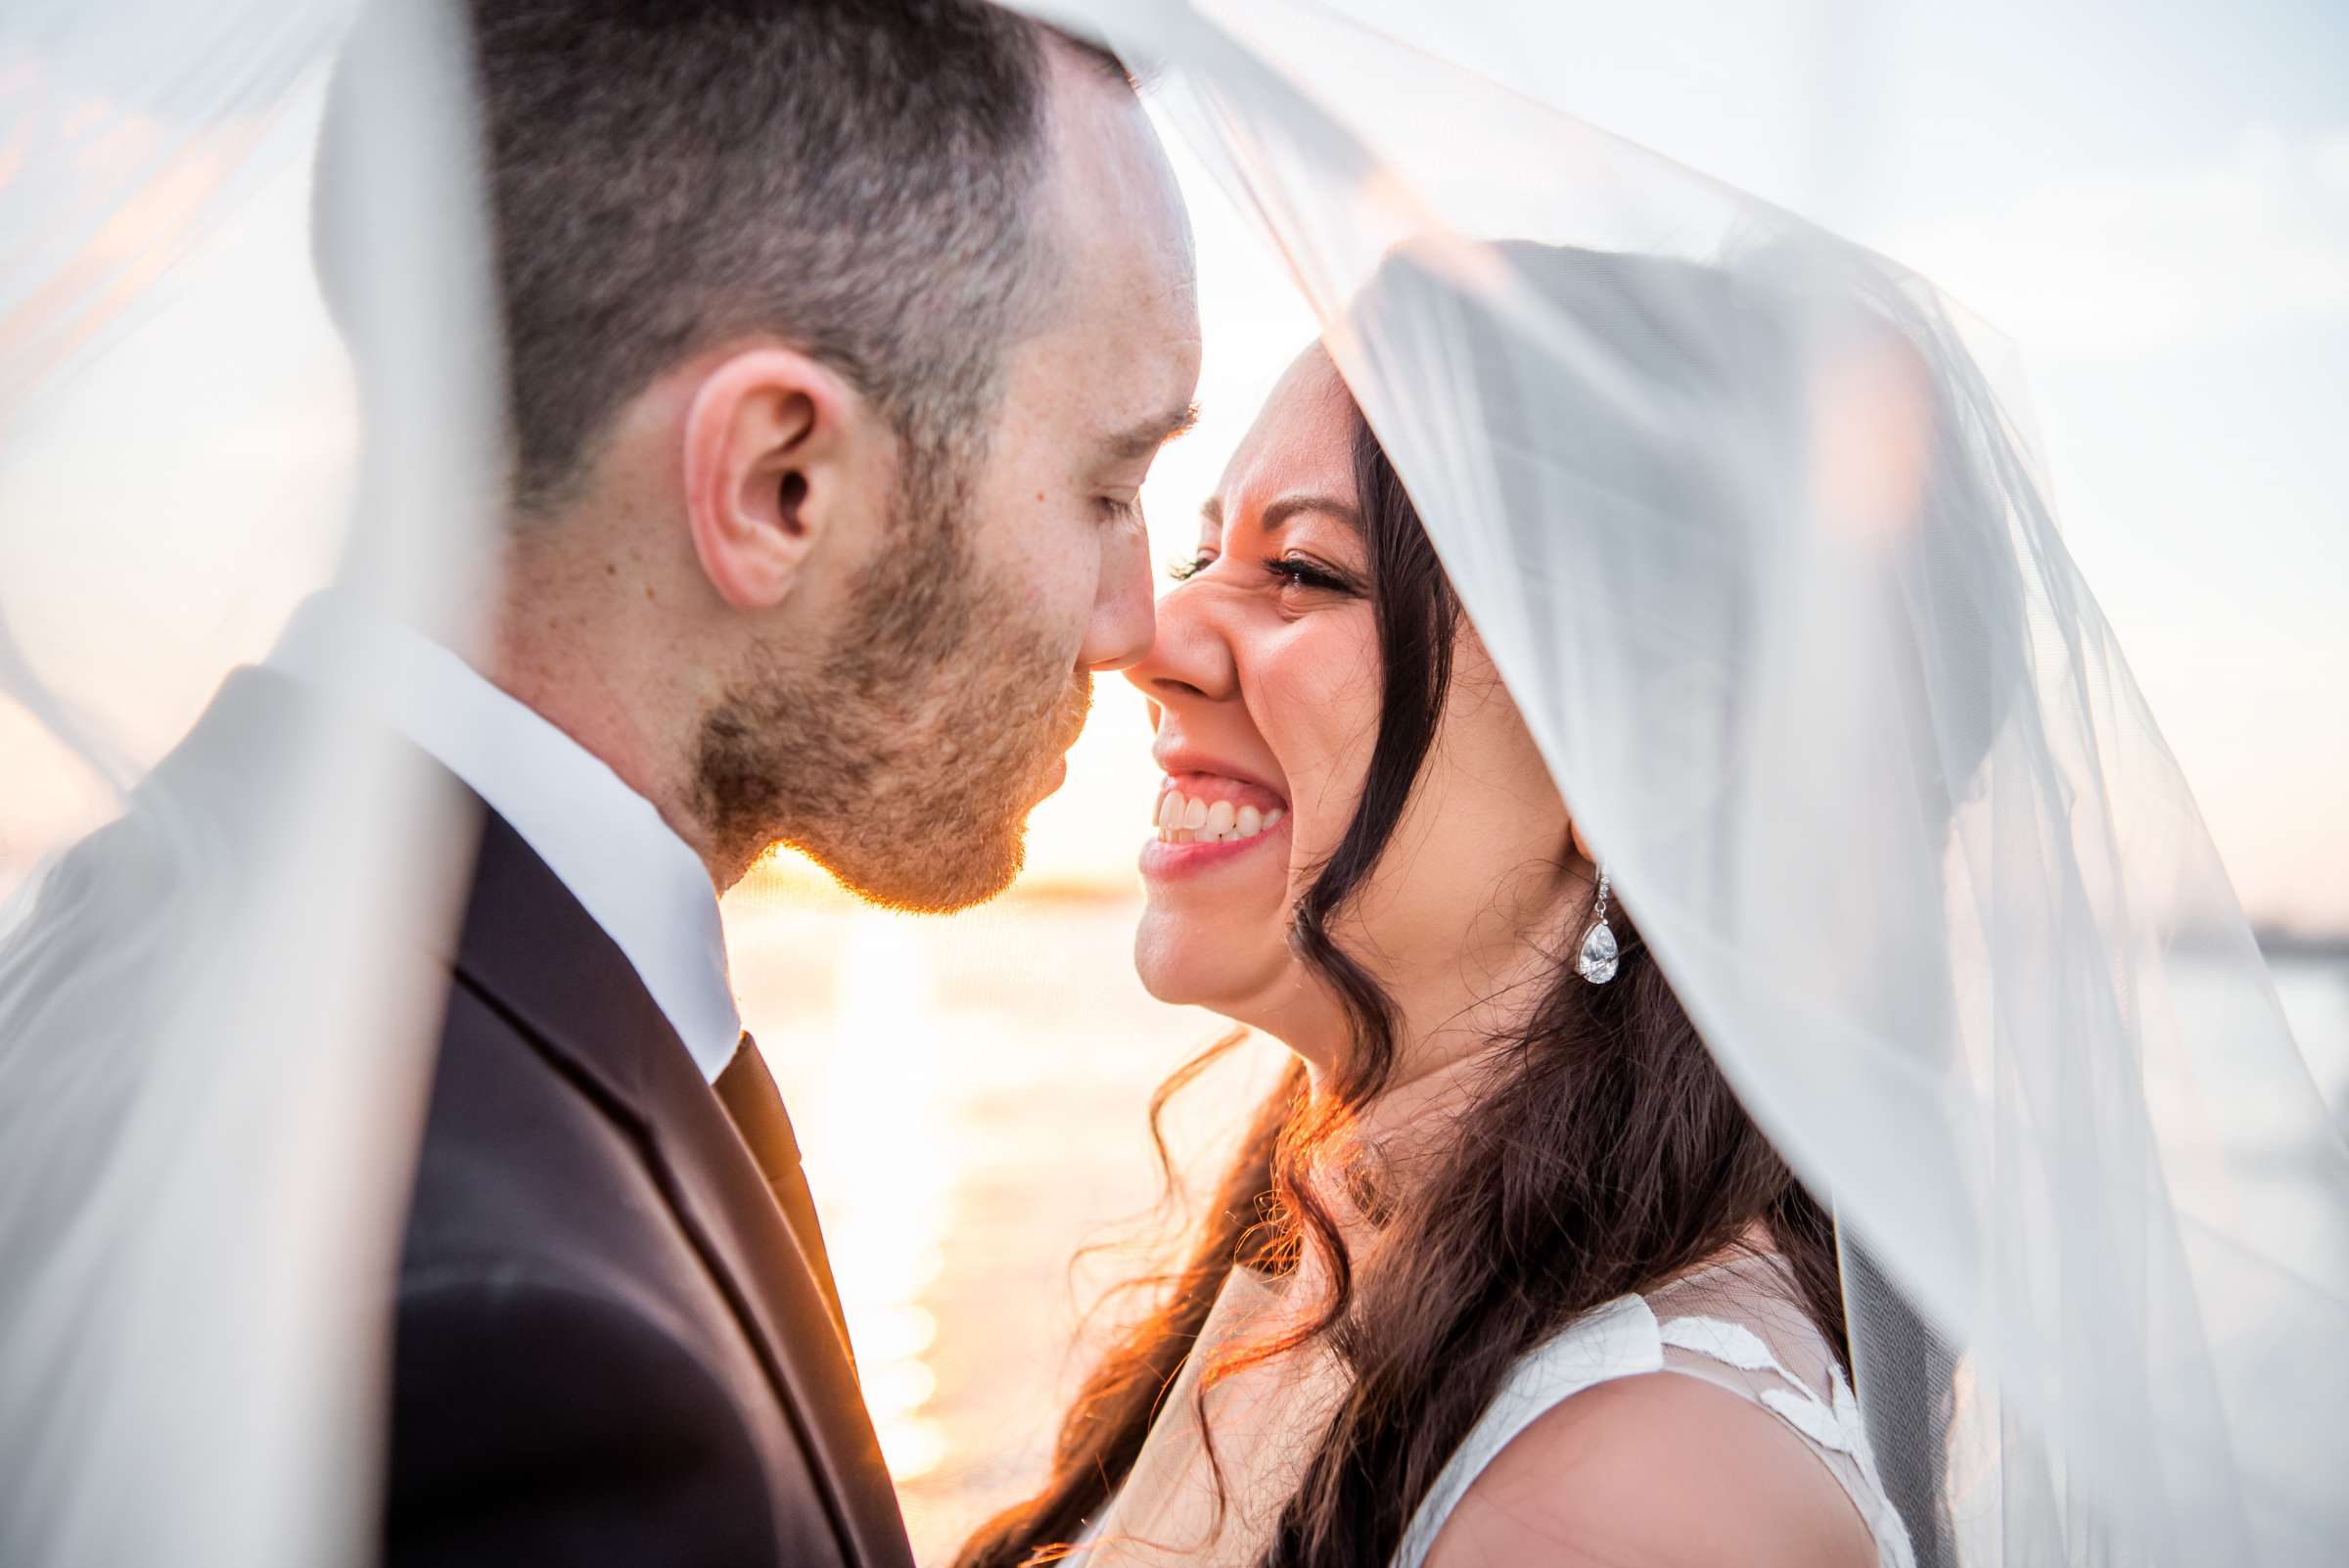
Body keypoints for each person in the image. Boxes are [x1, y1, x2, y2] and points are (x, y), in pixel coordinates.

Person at [10, 3, 1196, 1566]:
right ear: (778, 483)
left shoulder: (119, 931)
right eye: (1109, 485)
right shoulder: (534, 1378)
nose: (1138, 623)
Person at [955, 248, 1954, 1568]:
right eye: (1204, 552)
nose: (1158, 639)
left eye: (1302, 570)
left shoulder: (1640, 1498)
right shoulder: (1363, 1266)